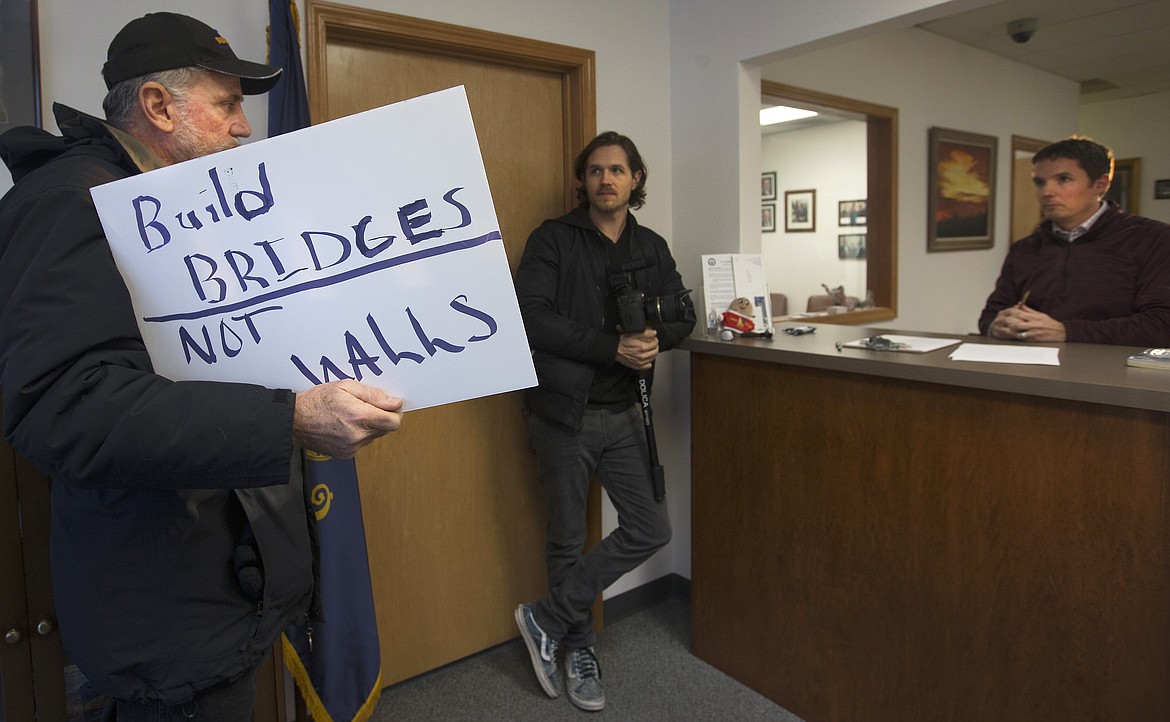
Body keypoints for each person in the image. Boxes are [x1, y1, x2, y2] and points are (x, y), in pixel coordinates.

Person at [0, 13, 403, 721]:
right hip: (165, 612)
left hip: (222, 584)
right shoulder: (71, 201)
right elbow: (64, 405)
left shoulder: (182, 206)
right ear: (158, 106)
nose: (244, 128)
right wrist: (293, 417)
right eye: (227, 104)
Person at [512, 131, 695, 712]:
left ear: (635, 178)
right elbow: (530, 318)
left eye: (617, 170)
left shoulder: (652, 246)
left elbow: (683, 313)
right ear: (583, 180)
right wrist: (611, 347)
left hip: (625, 415)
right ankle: (578, 649)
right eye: (595, 171)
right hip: (564, 413)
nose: (606, 180)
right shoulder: (552, 240)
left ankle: (543, 618)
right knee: (566, 538)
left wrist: (652, 342)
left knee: (650, 528)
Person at [978, 136, 1170, 346]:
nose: (1047, 192)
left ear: (1100, 184)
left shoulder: (1153, 239)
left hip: (1114, 374)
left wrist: (1066, 332)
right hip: (1032, 370)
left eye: (1064, 179)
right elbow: (990, 316)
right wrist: (996, 326)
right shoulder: (1025, 248)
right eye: (1040, 182)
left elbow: (1160, 326)